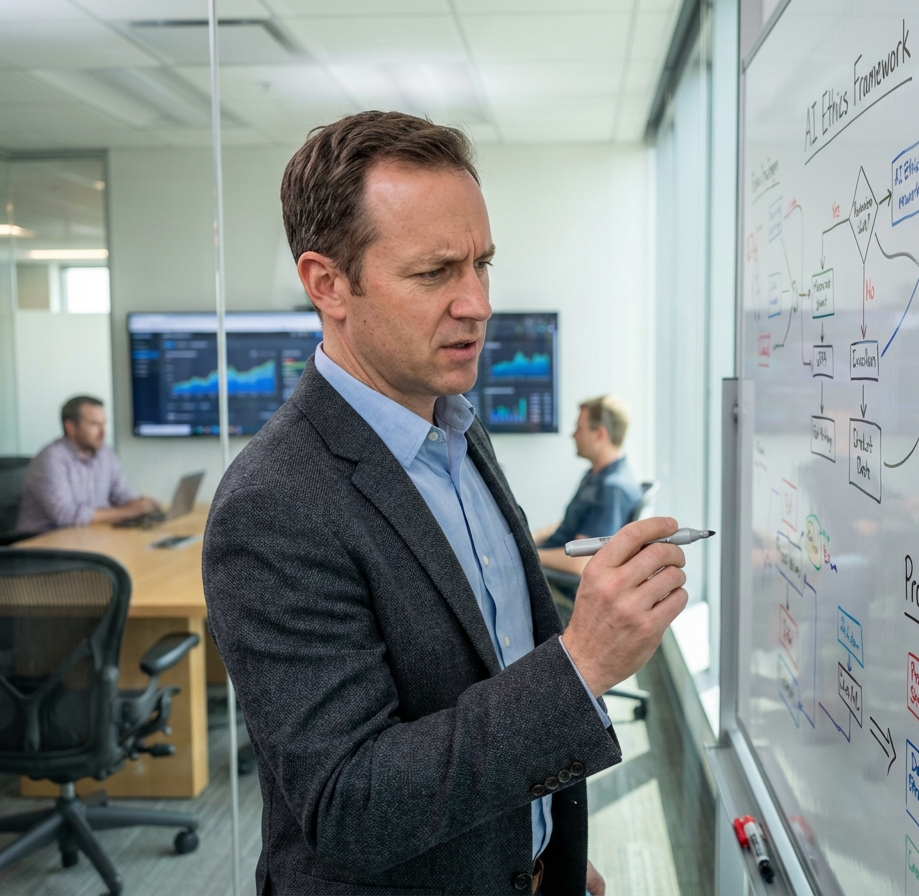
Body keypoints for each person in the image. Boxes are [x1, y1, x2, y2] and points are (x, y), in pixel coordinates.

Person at [202, 111, 689, 896]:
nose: (478, 304)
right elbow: (352, 808)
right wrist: (585, 662)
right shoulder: (272, 506)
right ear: (328, 284)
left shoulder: (457, 426)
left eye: (482, 265)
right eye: (435, 274)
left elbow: (494, 669)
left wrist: (543, 852)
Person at [534, 396, 643, 578]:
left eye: (579, 428)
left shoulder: (613, 490)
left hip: (558, 584)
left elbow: (582, 561)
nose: (573, 435)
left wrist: (529, 555)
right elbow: (568, 524)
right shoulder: (595, 476)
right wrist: (530, 538)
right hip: (550, 559)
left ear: (600, 433)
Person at [16, 395, 158, 534]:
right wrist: (129, 511)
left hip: (86, 535)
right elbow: (65, 516)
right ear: (70, 427)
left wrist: (141, 504)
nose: (103, 432)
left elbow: (121, 494)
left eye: (104, 424)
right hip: (43, 546)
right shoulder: (51, 459)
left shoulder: (105, 453)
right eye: (94, 424)